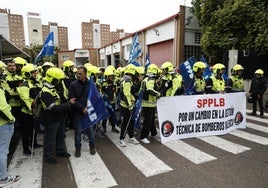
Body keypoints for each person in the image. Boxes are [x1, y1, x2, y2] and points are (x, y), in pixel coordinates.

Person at [40, 67, 71, 164]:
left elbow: (61, 99)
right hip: (51, 118)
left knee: (61, 135)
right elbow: (53, 108)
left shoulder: (53, 87)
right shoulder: (45, 91)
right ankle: (48, 156)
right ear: (53, 79)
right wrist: (68, 105)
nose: (60, 81)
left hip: (60, 116)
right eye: (58, 79)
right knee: (50, 138)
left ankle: (60, 150)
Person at [0, 61, 20, 187]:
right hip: (3, 123)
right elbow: (2, 107)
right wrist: (11, 119)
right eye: (1, 70)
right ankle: (3, 177)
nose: (3, 72)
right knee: (2, 151)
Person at [69, 65, 96, 157]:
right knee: (78, 132)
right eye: (77, 73)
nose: (78, 75)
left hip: (89, 111)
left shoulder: (91, 84)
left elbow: (94, 97)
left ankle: (92, 147)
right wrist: (82, 109)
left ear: (85, 74)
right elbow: (72, 101)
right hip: (78, 112)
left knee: (91, 131)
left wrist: (90, 108)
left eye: (80, 74)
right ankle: (78, 149)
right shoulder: (73, 85)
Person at [17, 64, 43, 156]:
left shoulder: (34, 83)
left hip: (35, 112)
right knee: (26, 132)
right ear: (27, 74)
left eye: (35, 72)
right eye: (32, 72)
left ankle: (34, 143)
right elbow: (26, 100)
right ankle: (25, 149)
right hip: (27, 113)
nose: (35, 74)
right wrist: (33, 112)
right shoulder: (24, 85)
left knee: (34, 129)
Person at [118, 64, 139, 147]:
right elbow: (126, 95)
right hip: (126, 105)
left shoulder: (125, 78)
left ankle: (131, 137)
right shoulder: (127, 80)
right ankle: (121, 139)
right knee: (126, 122)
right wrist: (130, 107)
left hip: (127, 104)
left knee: (131, 122)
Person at [140, 64, 161, 144]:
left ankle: (154, 133)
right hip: (148, 104)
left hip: (148, 103)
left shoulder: (146, 78)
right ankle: (143, 136)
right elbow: (149, 90)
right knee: (147, 121)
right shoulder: (151, 79)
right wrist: (158, 94)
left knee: (151, 120)